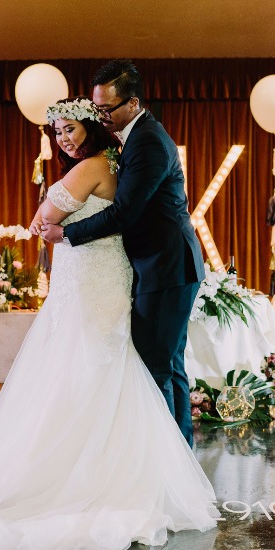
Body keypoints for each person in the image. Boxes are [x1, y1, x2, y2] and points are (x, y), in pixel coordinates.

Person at [0, 97, 219, 550]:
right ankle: (156, 469)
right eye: (56, 133)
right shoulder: (111, 162)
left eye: (69, 128)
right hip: (102, 279)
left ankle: (83, 477)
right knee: (117, 370)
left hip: (92, 285)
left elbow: (47, 218)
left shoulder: (91, 166)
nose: (62, 138)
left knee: (82, 370)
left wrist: (49, 220)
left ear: (92, 127)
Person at [40, 59, 205, 446]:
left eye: (104, 110)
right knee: (168, 365)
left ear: (132, 103)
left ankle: (168, 460)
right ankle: (179, 455)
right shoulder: (132, 137)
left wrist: (66, 233)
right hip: (162, 265)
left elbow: (125, 212)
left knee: (155, 369)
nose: (100, 117)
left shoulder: (146, 140)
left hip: (165, 267)